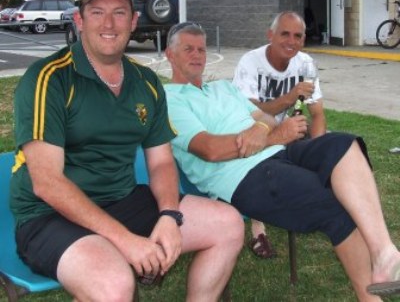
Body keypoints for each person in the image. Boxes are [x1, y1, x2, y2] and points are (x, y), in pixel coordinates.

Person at [10, 0, 244, 302]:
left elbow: (161, 161)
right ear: (79, 19)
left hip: (122, 200)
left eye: (119, 12)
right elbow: (47, 182)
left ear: (134, 21)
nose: (109, 23)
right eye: (96, 12)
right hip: (48, 215)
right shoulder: (49, 78)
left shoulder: (145, 82)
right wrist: (126, 241)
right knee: (115, 285)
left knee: (228, 224)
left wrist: (168, 215)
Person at [164, 21, 400, 300]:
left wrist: (269, 130)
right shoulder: (170, 99)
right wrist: (272, 136)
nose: (197, 55)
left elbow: (262, 119)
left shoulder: (222, 89)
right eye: (188, 49)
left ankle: (384, 253)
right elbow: (210, 150)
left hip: (279, 152)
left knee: (343, 144)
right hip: (242, 175)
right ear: (169, 54)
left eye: (201, 49)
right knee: (334, 202)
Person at [232, 10, 326, 258]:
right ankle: (257, 228)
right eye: (285, 34)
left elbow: (317, 114)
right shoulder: (250, 62)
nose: (291, 41)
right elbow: (249, 111)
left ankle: (311, 207)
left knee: (334, 154)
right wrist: (290, 97)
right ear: (270, 35)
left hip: (290, 132)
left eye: (298, 36)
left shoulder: (305, 63)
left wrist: (319, 149)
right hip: (252, 131)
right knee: (258, 159)